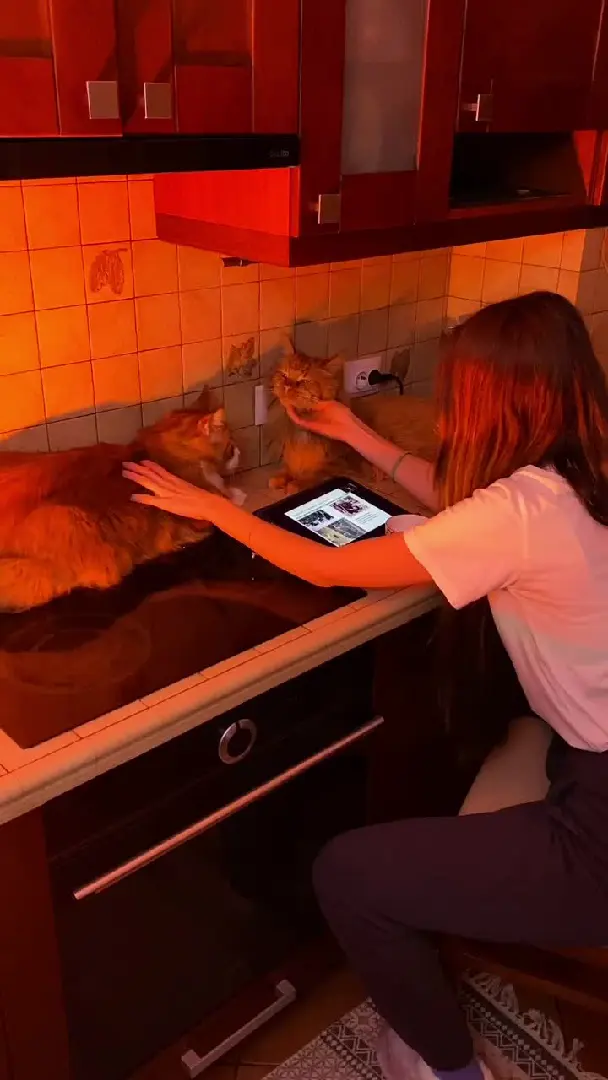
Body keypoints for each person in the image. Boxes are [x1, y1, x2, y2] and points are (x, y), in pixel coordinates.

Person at [123, 291, 608, 1080]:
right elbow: (465, 504)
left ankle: (447, 1069)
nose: (447, 412)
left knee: (349, 875)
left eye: (459, 393)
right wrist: (356, 434)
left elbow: (326, 565)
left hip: (600, 823)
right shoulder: (573, 475)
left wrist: (214, 507)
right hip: (587, 763)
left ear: (501, 402)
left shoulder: (517, 513)